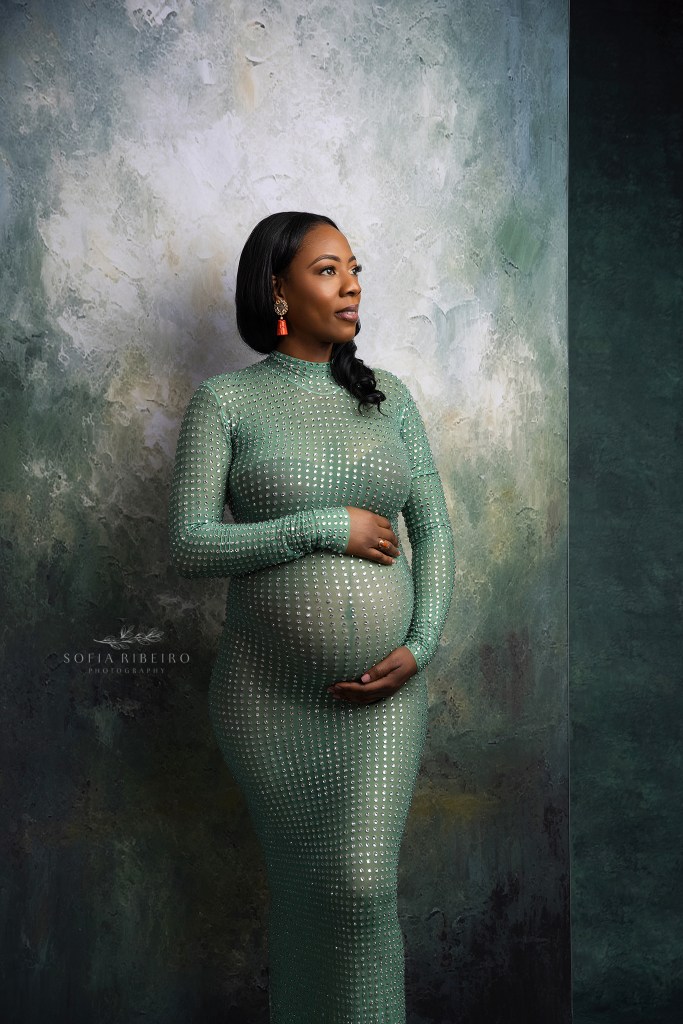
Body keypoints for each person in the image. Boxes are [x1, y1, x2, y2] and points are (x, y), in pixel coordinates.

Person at [168, 211, 455, 1023]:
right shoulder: (225, 402)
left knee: (360, 889)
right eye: (329, 270)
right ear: (277, 290)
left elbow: (433, 534)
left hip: (383, 697)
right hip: (266, 700)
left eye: (354, 268)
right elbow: (189, 544)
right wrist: (323, 526)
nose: (353, 283)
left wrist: (421, 645)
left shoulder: (389, 396)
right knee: (308, 895)